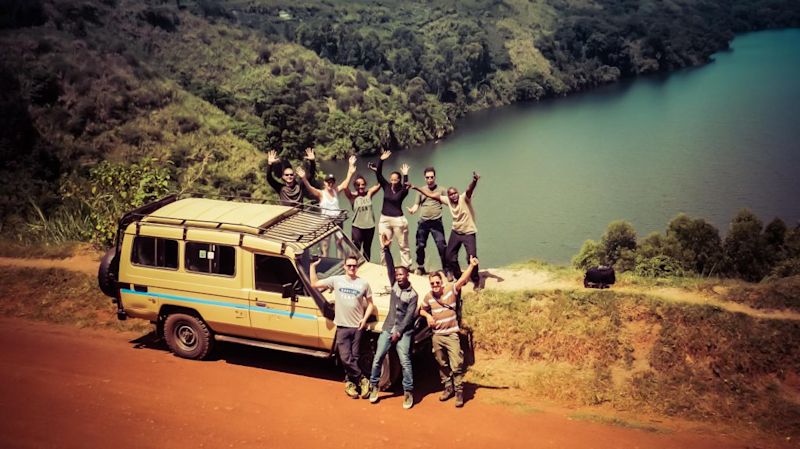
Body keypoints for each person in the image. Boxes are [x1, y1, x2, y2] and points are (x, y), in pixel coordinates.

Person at [310, 255, 375, 399]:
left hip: (357, 327)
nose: (352, 268)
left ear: (357, 267)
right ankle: (363, 380)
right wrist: (312, 266)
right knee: (345, 358)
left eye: (354, 266)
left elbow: (371, 303)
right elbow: (314, 284)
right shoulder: (336, 280)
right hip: (342, 326)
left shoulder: (363, 283)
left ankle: (350, 385)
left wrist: (364, 320)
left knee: (355, 357)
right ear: (345, 267)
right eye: (349, 265)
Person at [419, 256, 479, 408]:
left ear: (442, 282)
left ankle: (459, 392)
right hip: (437, 336)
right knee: (441, 363)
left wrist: (471, 266)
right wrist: (427, 316)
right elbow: (422, 310)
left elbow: (462, 280)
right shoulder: (429, 297)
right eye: (432, 284)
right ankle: (448, 388)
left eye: (437, 283)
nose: (435, 285)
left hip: (452, 334)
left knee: (457, 364)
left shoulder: (450, 290)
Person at [367, 233, 418, 409]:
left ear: (407, 276)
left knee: (405, 361)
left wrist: (398, 332)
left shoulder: (413, 295)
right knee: (378, 358)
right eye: (396, 275)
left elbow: (409, 317)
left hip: (403, 332)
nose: (398, 277)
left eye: (401, 275)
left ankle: (408, 392)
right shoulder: (394, 284)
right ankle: (373, 386)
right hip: (388, 328)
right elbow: (389, 266)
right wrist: (386, 248)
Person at [410, 171, 481, 290]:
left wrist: (474, 181)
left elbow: (469, 189)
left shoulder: (464, 198)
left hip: (468, 232)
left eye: (455, 193)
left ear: (458, 193)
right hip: (456, 232)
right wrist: (416, 187)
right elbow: (431, 195)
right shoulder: (447, 200)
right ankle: (459, 276)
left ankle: (476, 279)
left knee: (472, 257)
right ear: (448, 196)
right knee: (449, 256)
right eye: (451, 194)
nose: (453, 196)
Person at [297, 156, 356, 256]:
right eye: (328, 182)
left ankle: (341, 262)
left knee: (339, 243)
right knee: (325, 245)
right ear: (324, 183)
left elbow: (345, 184)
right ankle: (325, 262)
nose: (330, 184)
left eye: (332, 182)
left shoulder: (335, 191)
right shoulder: (321, 193)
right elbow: (310, 188)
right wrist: (303, 178)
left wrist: (350, 170)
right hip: (326, 222)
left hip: (338, 220)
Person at [373, 150, 412, 268]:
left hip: (398, 220)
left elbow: (406, 187)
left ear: (399, 180)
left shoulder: (402, 191)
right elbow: (379, 174)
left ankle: (406, 267)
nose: (393, 181)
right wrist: (381, 159)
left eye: (396, 179)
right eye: (392, 179)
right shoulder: (386, 186)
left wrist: (405, 174)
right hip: (384, 220)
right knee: (383, 245)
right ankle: (385, 266)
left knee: (403, 245)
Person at [407, 166, 447, 276]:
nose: (430, 179)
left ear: (435, 177)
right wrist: (412, 210)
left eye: (431, 177)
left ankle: (446, 268)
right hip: (423, 223)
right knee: (420, 245)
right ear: (424, 178)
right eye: (427, 177)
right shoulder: (421, 191)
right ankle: (420, 267)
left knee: (441, 245)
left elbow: (449, 202)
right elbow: (416, 205)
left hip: (436, 223)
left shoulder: (442, 190)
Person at [342, 172, 381, 261]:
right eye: (358, 185)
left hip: (370, 226)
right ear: (355, 186)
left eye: (363, 184)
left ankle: (367, 266)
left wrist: (376, 171)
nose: (361, 186)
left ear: (365, 185)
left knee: (367, 249)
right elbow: (344, 187)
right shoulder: (352, 196)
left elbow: (380, 183)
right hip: (357, 227)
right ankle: (354, 266)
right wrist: (350, 172)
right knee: (356, 249)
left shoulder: (369, 194)